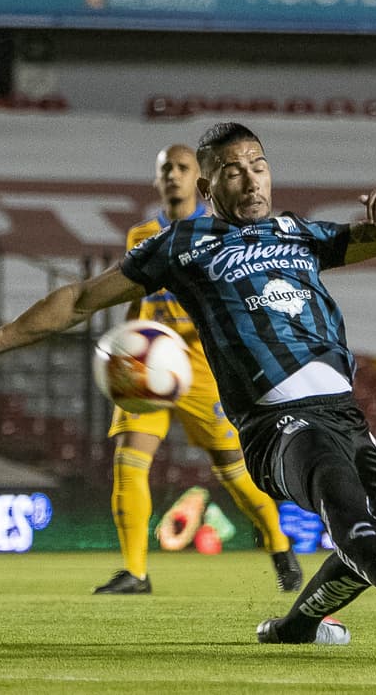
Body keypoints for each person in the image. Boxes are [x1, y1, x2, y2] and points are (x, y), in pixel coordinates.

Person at [0, 122, 376, 646]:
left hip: (343, 412)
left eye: (259, 166)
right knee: (339, 492)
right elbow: (78, 301)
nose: (252, 180)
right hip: (277, 421)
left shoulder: (299, 233)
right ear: (208, 189)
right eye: (234, 171)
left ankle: (299, 625)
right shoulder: (183, 244)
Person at [94, 144, 302, 596]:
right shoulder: (140, 235)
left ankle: (278, 543)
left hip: (202, 365)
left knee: (234, 471)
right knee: (128, 461)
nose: (173, 174)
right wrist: (123, 346)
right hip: (146, 363)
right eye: (165, 168)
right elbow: (135, 298)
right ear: (156, 180)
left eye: (182, 167)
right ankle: (135, 572)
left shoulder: (220, 232)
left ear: (199, 180)